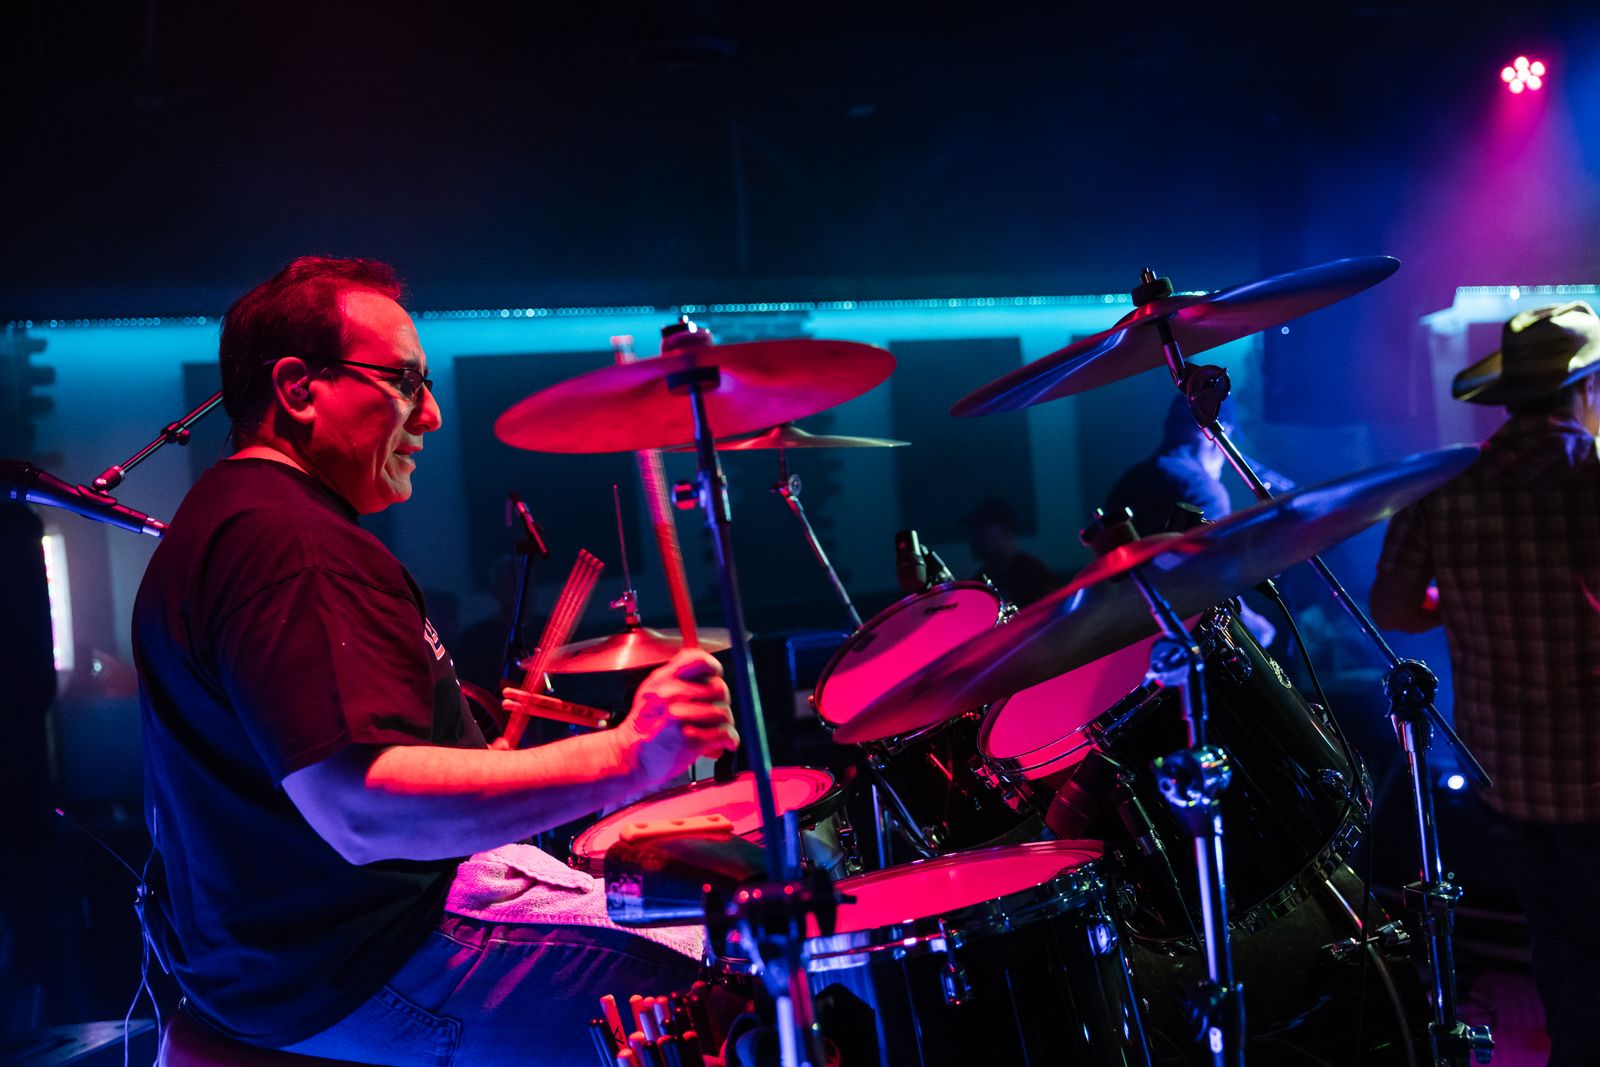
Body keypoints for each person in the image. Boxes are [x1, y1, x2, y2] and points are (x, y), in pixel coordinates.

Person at [134, 257, 739, 1066]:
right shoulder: (290, 544)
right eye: (405, 382)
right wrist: (630, 753)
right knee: (735, 985)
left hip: (282, 961)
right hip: (362, 960)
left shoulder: (229, 517)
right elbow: (362, 810)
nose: (432, 413)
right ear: (298, 388)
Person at [1370, 301, 1600, 1067]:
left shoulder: (1446, 483)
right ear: (1585, 388)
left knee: (1555, 941)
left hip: (1506, 773)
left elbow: (1393, 608)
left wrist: (1465, 597)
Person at [1102, 395, 1276, 646]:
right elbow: (1214, 578)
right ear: (1217, 435)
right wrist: (1252, 625)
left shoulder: (1129, 482)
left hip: (1130, 636)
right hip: (1187, 635)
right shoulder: (1203, 490)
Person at [964, 496, 1056, 606]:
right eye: (974, 531)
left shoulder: (1034, 576)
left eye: (982, 532)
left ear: (1006, 532)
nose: (975, 538)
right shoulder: (979, 582)